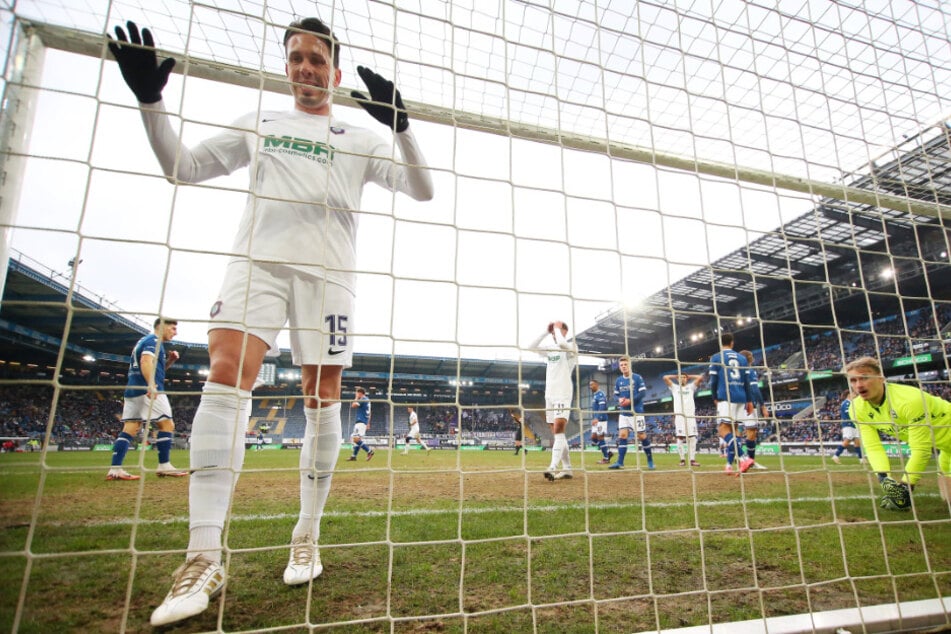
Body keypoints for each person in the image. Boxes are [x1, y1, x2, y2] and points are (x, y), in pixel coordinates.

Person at [108, 16, 434, 626]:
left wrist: (403, 128)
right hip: (255, 266)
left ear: (334, 72)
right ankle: (203, 556)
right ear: (286, 67)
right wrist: (151, 101)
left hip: (329, 278)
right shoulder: (259, 122)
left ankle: (306, 535)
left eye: (317, 59)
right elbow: (181, 167)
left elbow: (423, 191)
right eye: (296, 58)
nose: (306, 68)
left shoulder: (359, 137)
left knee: (321, 396)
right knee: (227, 376)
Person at [845, 356, 951, 511]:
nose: (859, 385)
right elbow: (873, 447)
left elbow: (921, 450)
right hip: (946, 449)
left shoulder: (910, 400)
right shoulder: (856, 409)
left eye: (865, 378)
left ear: (881, 378)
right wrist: (885, 480)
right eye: (853, 381)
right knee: (947, 499)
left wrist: (905, 487)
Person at [106, 317, 187, 481]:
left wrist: (170, 361)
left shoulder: (145, 340)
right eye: (173, 328)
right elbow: (145, 361)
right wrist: (151, 385)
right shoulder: (154, 341)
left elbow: (156, 369)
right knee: (167, 424)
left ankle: (115, 469)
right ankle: (164, 465)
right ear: (162, 327)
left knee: (131, 427)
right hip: (147, 390)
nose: (175, 332)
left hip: (133, 389)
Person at [529, 321, 576, 481]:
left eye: (558, 330)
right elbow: (531, 347)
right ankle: (568, 468)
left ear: (564, 331)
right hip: (549, 395)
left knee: (558, 429)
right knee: (558, 434)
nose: (555, 333)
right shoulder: (550, 349)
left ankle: (552, 466)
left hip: (563, 393)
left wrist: (556, 328)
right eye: (554, 331)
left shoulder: (571, 346)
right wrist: (545, 331)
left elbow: (562, 342)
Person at [708, 333, 753, 474]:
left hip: (726, 396)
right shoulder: (742, 358)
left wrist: (714, 397)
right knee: (734, 432)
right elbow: (747, 382)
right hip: (741, 396)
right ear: (732, 343)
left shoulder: (716, 358)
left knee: (723, 430)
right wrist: (749, 400)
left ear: (720, 343)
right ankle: (729, 465)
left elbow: (713, 381)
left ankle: (744, 457)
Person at [609, 356, 650, 470]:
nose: (623, 367)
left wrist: (630, 401)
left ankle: (650, 460)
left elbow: (642, 393)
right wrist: (619, 399)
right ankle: (620, 462)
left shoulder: (637, 378)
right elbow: (616, 394)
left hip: (636, 412)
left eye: (625, 364)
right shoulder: (618, 380)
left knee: (641, 436)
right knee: (622, 435)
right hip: (623, 413)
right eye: (621, 365)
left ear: (629, 365)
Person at [663, 372, 703, 467]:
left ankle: (692, 459)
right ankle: (682, 459)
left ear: (687, 379)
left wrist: (690, 376)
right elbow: (665, 377)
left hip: (690, 416)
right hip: (680, 416)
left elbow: (700, 377)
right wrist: (675, 376)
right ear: (678, 379)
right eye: (680, 378)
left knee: (692, 438)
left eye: (684, 377)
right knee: (680, 437)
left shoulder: (691, 387)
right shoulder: (674, 387)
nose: (682, 379)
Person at [739, 350, 768, 471]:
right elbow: (755, 389)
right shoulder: (750, 371)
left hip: (736, 403)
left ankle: (740, 457)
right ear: (749, 359)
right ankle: (749, 460)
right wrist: (762, 405)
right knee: (751, 432)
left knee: (736, 432)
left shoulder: (734, 371)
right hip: (749, 404)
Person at [831, 389, 864, 465]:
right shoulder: (846, 403)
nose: (855, 395)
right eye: (854, 393)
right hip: (848, 425)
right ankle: (836, 455)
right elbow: (848, 413)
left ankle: (861, 459)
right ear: (849, 394)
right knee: (847, 441)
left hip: (854, 425)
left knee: (857, 442)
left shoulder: (852, 403)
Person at [348, 387, 375, 461]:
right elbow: (370, 413)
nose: (356, 394)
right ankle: (354, 456)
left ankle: (369, 451)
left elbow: (353, 405)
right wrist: (368, 423)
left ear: (360, 393)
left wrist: (356, 397)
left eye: (357, 393)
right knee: (357, 439)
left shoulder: (362, 399)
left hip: (360, 421)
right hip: (364, 421)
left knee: (355, 439)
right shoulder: (367, 400)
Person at [589, 379, 613, 464]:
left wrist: (597, 418)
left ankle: (606, 458)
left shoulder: (600, 394)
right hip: (597, 419)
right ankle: (607, 453)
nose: (590, 386)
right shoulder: (595, 395)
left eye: (592, 384)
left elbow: (602, 407)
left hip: (601, 419)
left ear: (597, 384)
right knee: (593, 438)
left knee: (600, 438)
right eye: (590, 385)